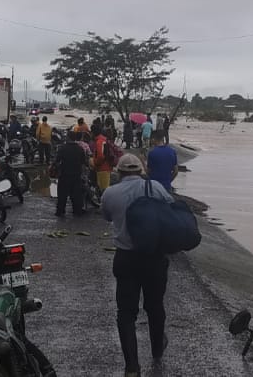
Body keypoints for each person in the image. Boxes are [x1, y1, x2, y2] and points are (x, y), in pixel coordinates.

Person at [101, 154, 175, 376]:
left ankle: (132, 367)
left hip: (126, 259)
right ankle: (157, 349)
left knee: (126, 313)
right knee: (155, 306)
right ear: (141, 171)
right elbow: (170, 212)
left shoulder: (110, 193)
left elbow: (107, 217)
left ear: (119, 172)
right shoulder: (156, 188)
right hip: (154, 258)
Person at [53, 130, 88, 217]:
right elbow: (83, 163)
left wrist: (56, 170)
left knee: (62, 195)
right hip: (76, 175)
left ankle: (60, 211)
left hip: (64, 175)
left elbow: (57, 161)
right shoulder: (80, 149)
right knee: (76, 194)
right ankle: (77, 210)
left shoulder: (62, 148)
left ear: (68, 138)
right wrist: (83, 175)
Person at [92, 127, 115, 193]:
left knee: (104, 190)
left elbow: (100, 156)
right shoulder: (103, 139)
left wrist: (96, 163)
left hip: (102, 168)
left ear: (93, 133)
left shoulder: (99, 141)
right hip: (106, 167)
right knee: (104, 188)